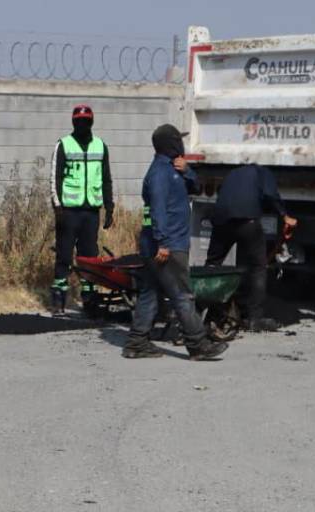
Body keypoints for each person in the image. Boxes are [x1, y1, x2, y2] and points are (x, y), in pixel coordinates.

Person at [123, 125, 227, 361]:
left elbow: (196, 188)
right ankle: (198, 344)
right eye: (178, 141)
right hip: (167, 244)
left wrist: (188, 171)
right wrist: (163, 243)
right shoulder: (160, 173)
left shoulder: (174, 169)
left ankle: (136, 343)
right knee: (182, 295)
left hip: (162, 243)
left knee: (150, 292)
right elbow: (158, 210)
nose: (182, 145)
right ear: (170, 144)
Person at [203, 164, 297, 333]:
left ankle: (204, 314)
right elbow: (270, 194)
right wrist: (285, 215)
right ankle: (255, 318)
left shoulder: (233, 173)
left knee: (212, 266)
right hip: (247, 222)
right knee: (258, 268)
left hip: (221, 221)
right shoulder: (263, 172)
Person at [50, 104, 114, 316]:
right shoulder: (63, 145)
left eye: (86, 121)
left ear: (92, 122)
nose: (82, 124)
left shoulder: (100, 146)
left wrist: (109, 206)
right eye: (79, 121)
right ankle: (59, 299)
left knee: (90, 258)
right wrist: (57, 207)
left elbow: (106, 179)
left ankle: (89, 300)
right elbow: (55, 177)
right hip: (68, 212)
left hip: (91, 213)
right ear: (73, 122)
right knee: (64, 256)